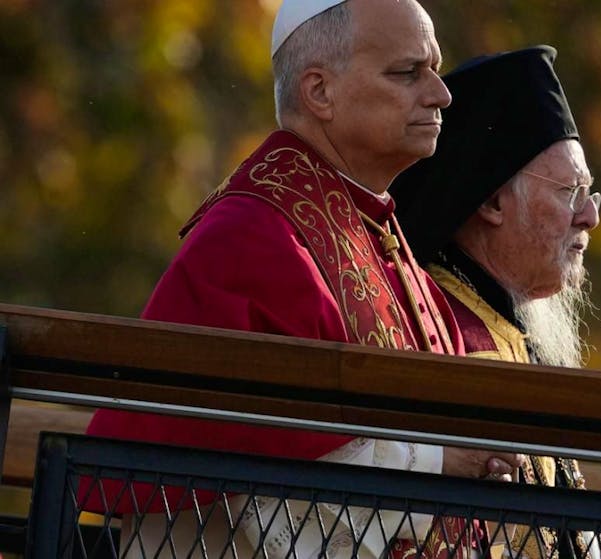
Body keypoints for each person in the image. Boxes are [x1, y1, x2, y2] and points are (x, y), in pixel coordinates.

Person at [83, 1, 522, 556]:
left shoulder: (378, 232)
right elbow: (253, 476)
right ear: (319, 92)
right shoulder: (251, 236)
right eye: (407, 72)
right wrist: (437, 462)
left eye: (434, 69)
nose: (441, 94)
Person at [392, 46, 601, 559]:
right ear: (490, 202)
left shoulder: (507, 329)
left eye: (591, 193)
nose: (590, 218)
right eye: (570, 191)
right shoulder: (444, 331)